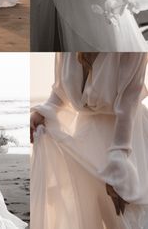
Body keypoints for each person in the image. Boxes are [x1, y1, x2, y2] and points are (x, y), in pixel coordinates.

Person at [30, 53, 148, 229]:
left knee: (127, 217)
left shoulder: (128, 41)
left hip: (128, 138)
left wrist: (119, 161)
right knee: (90, 213)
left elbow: (127, 104)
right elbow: (61, 90)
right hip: (85, 143)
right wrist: (43, 111)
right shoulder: (66, 40)